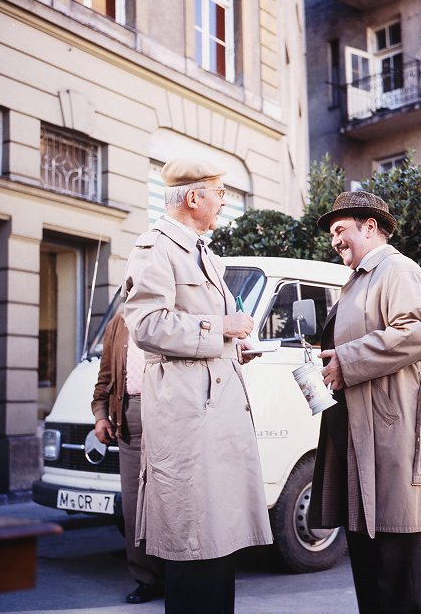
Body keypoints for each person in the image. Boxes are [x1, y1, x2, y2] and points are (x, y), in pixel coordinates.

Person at [122, 158, 273, 614]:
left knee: (218, 545)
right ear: (193, 197)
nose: (224, 202)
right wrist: (222, 327)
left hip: (212, 416)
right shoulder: (156, 247)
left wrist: (234, 345)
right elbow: (147, 324)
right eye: (219, 193)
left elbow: (199, 333)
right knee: (194, 543)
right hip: (189, 419)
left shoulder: (204, 252)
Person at [309, 190, 421, 614]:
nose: (334, 240)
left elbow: (420, 331)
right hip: (363, 436)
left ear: (370, 226)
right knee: (372, 564)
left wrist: (349, 359)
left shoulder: (398, 269)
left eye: (341, 230)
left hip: (395, 436)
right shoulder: (358, 280)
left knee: (401, 562)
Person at [91, 310, 164, 604]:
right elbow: (105, 377)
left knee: (173, 501)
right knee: (135, 506)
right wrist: (100, 416)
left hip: (171, 413)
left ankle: (183, 576)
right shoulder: (118, 323)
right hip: (130, 416)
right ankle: (147, 579)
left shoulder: (171, 313)